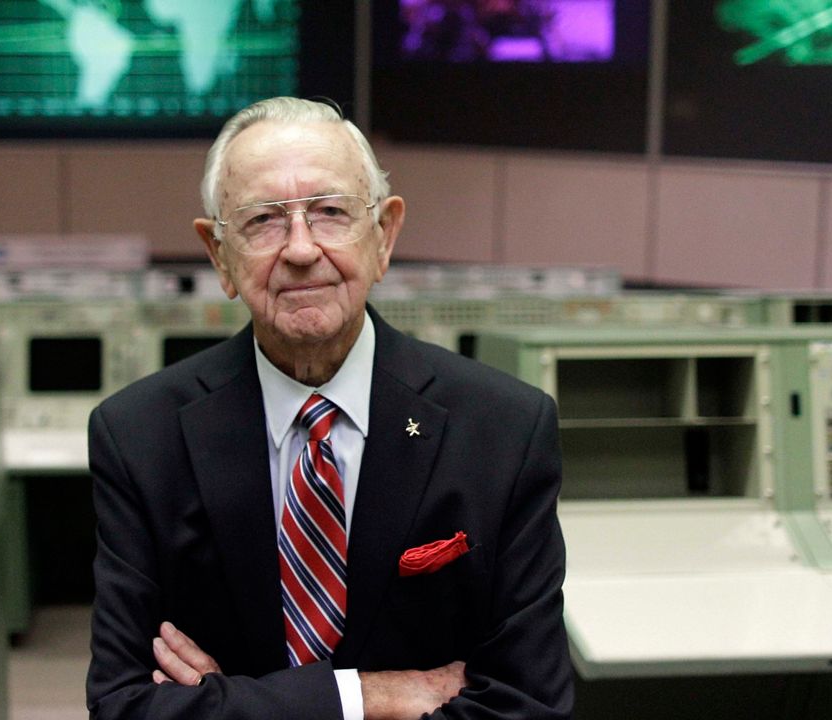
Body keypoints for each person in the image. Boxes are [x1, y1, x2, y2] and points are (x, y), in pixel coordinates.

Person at [86, 96, 573, 719]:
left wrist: (230, 703)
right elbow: (122, 708)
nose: (300, 248)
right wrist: (368, 696)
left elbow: (528, 705)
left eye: (330, 213)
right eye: (263, 220)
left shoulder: (506, 428)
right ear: (219, 256)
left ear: (384, 236)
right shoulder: (138, 436)